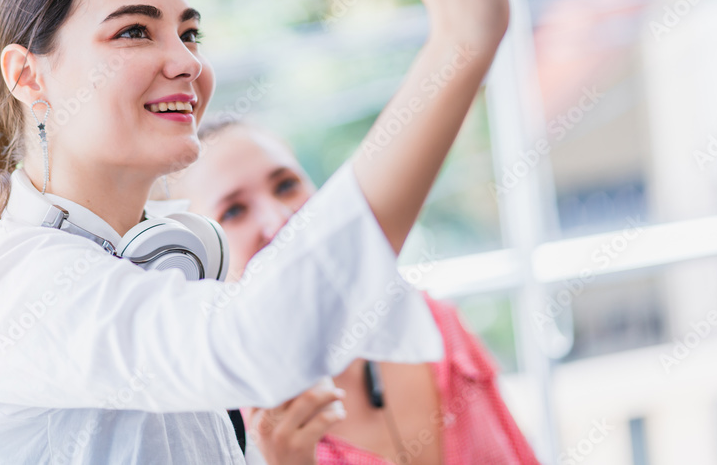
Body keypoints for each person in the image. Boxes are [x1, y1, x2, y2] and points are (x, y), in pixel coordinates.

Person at [0, 0, 519, 463]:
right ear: (28, 76)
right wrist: (459, 42)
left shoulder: (144, 272)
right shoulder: (17, 284)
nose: (184, 62)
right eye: (133, 31)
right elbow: (259, 341)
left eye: (189, 32)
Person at [170, 119, 542, 465]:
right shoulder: (228, 433)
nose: (279, 220)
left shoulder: (435, 325)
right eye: (234, 211)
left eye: (286, 185)